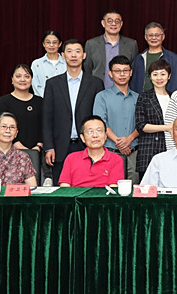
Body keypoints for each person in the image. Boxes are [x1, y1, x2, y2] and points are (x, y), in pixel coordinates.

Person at [43, 39, 105, 185]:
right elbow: (47, 118)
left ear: (84, 55)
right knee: (62, 189)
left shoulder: (96, 83)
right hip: (60, 146)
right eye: (69, 52)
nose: (73, 55)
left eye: (77, 51)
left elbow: (99, 117)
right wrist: (49, 147)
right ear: (63, 55)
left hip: (88, 145)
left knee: (88, 186)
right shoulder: (53, 84)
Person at [0, 64, 47, 184]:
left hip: (37, 151)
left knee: (34, 186)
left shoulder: (40, 101)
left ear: (31, 80)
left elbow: (46, 126)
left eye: (27, 76)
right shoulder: (3, 102)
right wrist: (17, 144)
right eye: (18, 76)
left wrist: (38, 146)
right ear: (12, 79)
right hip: (9, 150)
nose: (23, 79)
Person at [93, 55, 139, 183]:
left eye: (125, 71)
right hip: (110, 152)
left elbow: (142, 123)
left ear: (131, 73)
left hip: (134, 153)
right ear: (110, 74)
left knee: (133, 189)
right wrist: (119, 143)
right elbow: (101, 123)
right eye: (117, 71)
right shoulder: (102, 97)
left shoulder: (138, 97)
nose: (122, 74)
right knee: (112, 189)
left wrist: (129, 139)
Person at [58, 115, 125, 187]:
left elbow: (114, 188)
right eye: (90, 132)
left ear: (105, 136)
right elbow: (64, 186)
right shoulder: (71, 158)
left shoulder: (116, 159)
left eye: (99, 131)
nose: (95, 135)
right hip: (75, 194)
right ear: (82, 138)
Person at [134, 59, 173, 181]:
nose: (159, 78)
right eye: (155, 74)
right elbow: (141, 126)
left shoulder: (174, 97)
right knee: (147, 188)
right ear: (150, 77)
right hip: (149, 150)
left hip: (170, 148)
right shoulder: (144, 97)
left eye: (163, 74)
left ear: (169, 76)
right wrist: (166, 127)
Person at [84, 10, 138, 89]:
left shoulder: (131, 44)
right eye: (110, 21)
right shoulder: (91, 44)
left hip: (123, 91)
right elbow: (87, 69)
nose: (113, 24)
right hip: (98, 91)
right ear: (103, 23)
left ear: (121, 24)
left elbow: (134, 70)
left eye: (117, 21)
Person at [130, 22, 177, 94]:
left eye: (157, 35)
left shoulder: (173, 58)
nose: (154, 38)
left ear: (163, 37)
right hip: (141, 98)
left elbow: (175, 83)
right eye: (150, 35)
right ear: (146, 37)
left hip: (165, 98)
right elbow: (134, 83)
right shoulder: (139, 58)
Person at [31, 30, 66, 97]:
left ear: (60, 44)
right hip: (43, 100)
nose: (51, 45)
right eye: (48, 42)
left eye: (54, 42)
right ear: (43, 44)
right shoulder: (36, 64)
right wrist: (48, 98)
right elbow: (36, 85)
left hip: (64, 100)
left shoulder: (67, 63)